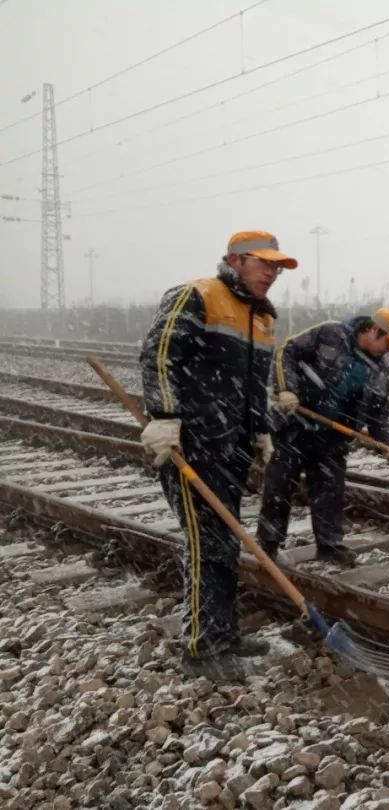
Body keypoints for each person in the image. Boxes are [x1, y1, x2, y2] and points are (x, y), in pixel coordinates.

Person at [139, 230, 296, 680]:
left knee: (225, 539)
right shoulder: (198, 295)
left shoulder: (262, 318)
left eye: (277, 267)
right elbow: (159, 354)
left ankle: (224, 633)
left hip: (231, 446)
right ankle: (200, 647)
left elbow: (252, 387)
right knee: (207, 541)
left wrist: (261, 429)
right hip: (191, 443)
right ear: (234, 260)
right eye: (263, 263)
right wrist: (165, 416)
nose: (272, 273)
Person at [257, 309, 389, 565]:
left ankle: (329, 546)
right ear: (373, 330)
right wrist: (286, 390)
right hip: (295, 424)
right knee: (279, 486)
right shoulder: (330, 334)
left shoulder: (380, 371)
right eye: (387, 343)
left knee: (330, 489)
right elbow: (287, 352)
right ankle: (268, 545)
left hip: (333, 435)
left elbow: (379, 415)